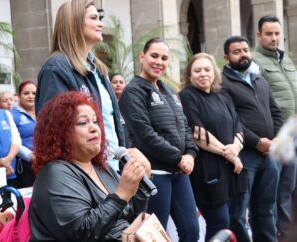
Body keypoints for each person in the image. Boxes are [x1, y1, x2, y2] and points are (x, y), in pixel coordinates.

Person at [29, 91, 151, 241]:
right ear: (60, 132)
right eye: (82, 123)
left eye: (95, 121)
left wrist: (141, 180)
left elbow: (132, 216)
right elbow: (81, 232)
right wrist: (121, 195)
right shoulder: (55, 173)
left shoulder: (101, 167)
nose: (94, 128)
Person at [119, 37, 200, 242]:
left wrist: (190, 153)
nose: (159, 62)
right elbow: (144, 135)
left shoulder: (170, 91)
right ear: (142, 56)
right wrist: (178, 157)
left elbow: (184, 126)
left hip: (179, 173)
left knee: (191, 231)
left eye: (164, 58)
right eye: (154, 56)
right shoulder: (133, 91)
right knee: (155, 236)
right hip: (153, 174)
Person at [35, 0, 124, 171]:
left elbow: (111, 120)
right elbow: (56, 129)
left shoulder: (99, 69)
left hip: (110, 166)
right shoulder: (56, 68)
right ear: (74, 23)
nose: (100, 24)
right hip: (83, 171)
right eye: (94, 18)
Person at [179, 53, 246, 241]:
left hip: (230, 170)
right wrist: (230, 154)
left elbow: (238, 124)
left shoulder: (222, 96)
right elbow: (197, 133)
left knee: (231, 223)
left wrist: (236, 147)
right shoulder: (187, 96)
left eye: (207, 69)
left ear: (214, 73)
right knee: (219, 223)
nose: (203, 74)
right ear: (189, 75)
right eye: (197, 70)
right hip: (207, 170)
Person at [221, 36, 283, 242]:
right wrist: (257, 142)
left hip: (269, 155)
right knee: (238, 213)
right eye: (236, 51)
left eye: (245, 50)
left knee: (266, 209)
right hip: (245, 156)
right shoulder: (223, 83)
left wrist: (276, 140)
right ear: (226, 57)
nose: (243, 54)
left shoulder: (259, 79)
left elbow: (275, 112)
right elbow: (233, 121)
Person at [251, 15, 297, 240]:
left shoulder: (285, 58)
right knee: (281, 191)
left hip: (294, 131)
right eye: (268, 34)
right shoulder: (254, 61)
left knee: (291, 188)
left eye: (277, 33)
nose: (274, 38)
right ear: (258, 35)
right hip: (278, 135)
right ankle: (282, 234)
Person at [11, 80, 37, 188]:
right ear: (19, 95)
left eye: (34, 93)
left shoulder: (43, 111)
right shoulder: (12, 115)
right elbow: (13, 141)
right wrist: (31, 156)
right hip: (25, 164)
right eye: (26, 93)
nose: (31, 96)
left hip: (46, 161)